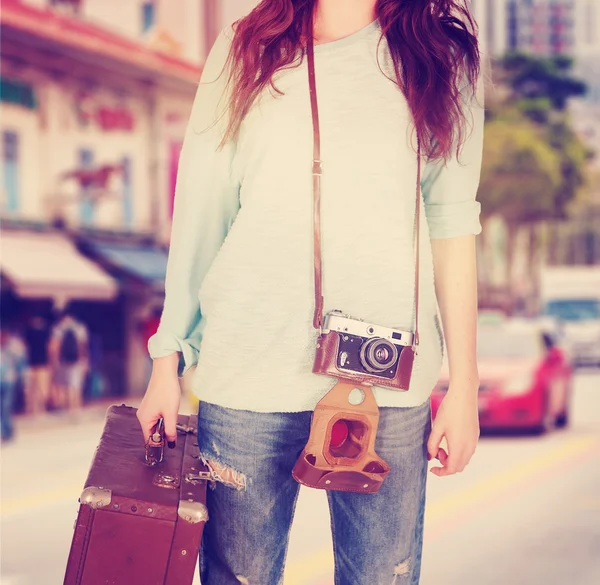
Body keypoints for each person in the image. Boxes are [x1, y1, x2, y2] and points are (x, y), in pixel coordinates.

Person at [138, 1, 484, 583]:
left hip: (387, 384)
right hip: (247, 374)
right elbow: (203, 212)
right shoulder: (245, 45)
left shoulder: (441, 55)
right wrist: (166, 361)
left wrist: (466, 386)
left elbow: (452, 226)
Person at [49, 309, 90, 415]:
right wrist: (85, 360)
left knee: (64, 384)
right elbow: (83, 346)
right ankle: (76, 407)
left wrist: (54, 361)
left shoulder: (58, 328)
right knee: (76, 384)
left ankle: (67, 407)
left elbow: (54, 346)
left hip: (63, 360)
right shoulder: (80, 328)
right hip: (77, 360)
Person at [1, 325, 28, 443]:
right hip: (5, 380)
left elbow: (21, 362)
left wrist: (23, 378)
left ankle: (8, 433)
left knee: (6, 408)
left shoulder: (13, 346)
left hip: (8, 381)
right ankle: (5, 432)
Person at [23, 312, 52, 415]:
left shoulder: (28, 332)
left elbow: (25, 347)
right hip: (43, 363)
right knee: (41, 387)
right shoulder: (45, 332)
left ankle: (33, 409)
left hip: (31, 362)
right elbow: (49, 347)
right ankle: (41, 408)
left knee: (32, 387)